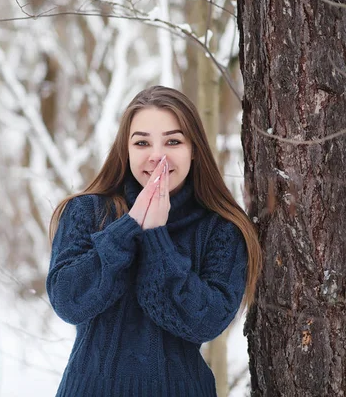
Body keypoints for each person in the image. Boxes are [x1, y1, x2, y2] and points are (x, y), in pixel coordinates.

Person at [46, 86, 262, 396]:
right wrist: (129, 227)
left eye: (173, 141)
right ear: (127, 150)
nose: (156, 156)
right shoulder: (88, 212)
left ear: (194, 149)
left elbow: (207, 322)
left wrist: (156, 237)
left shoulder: (221, 229)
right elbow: (69, 301)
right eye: (142, 142)